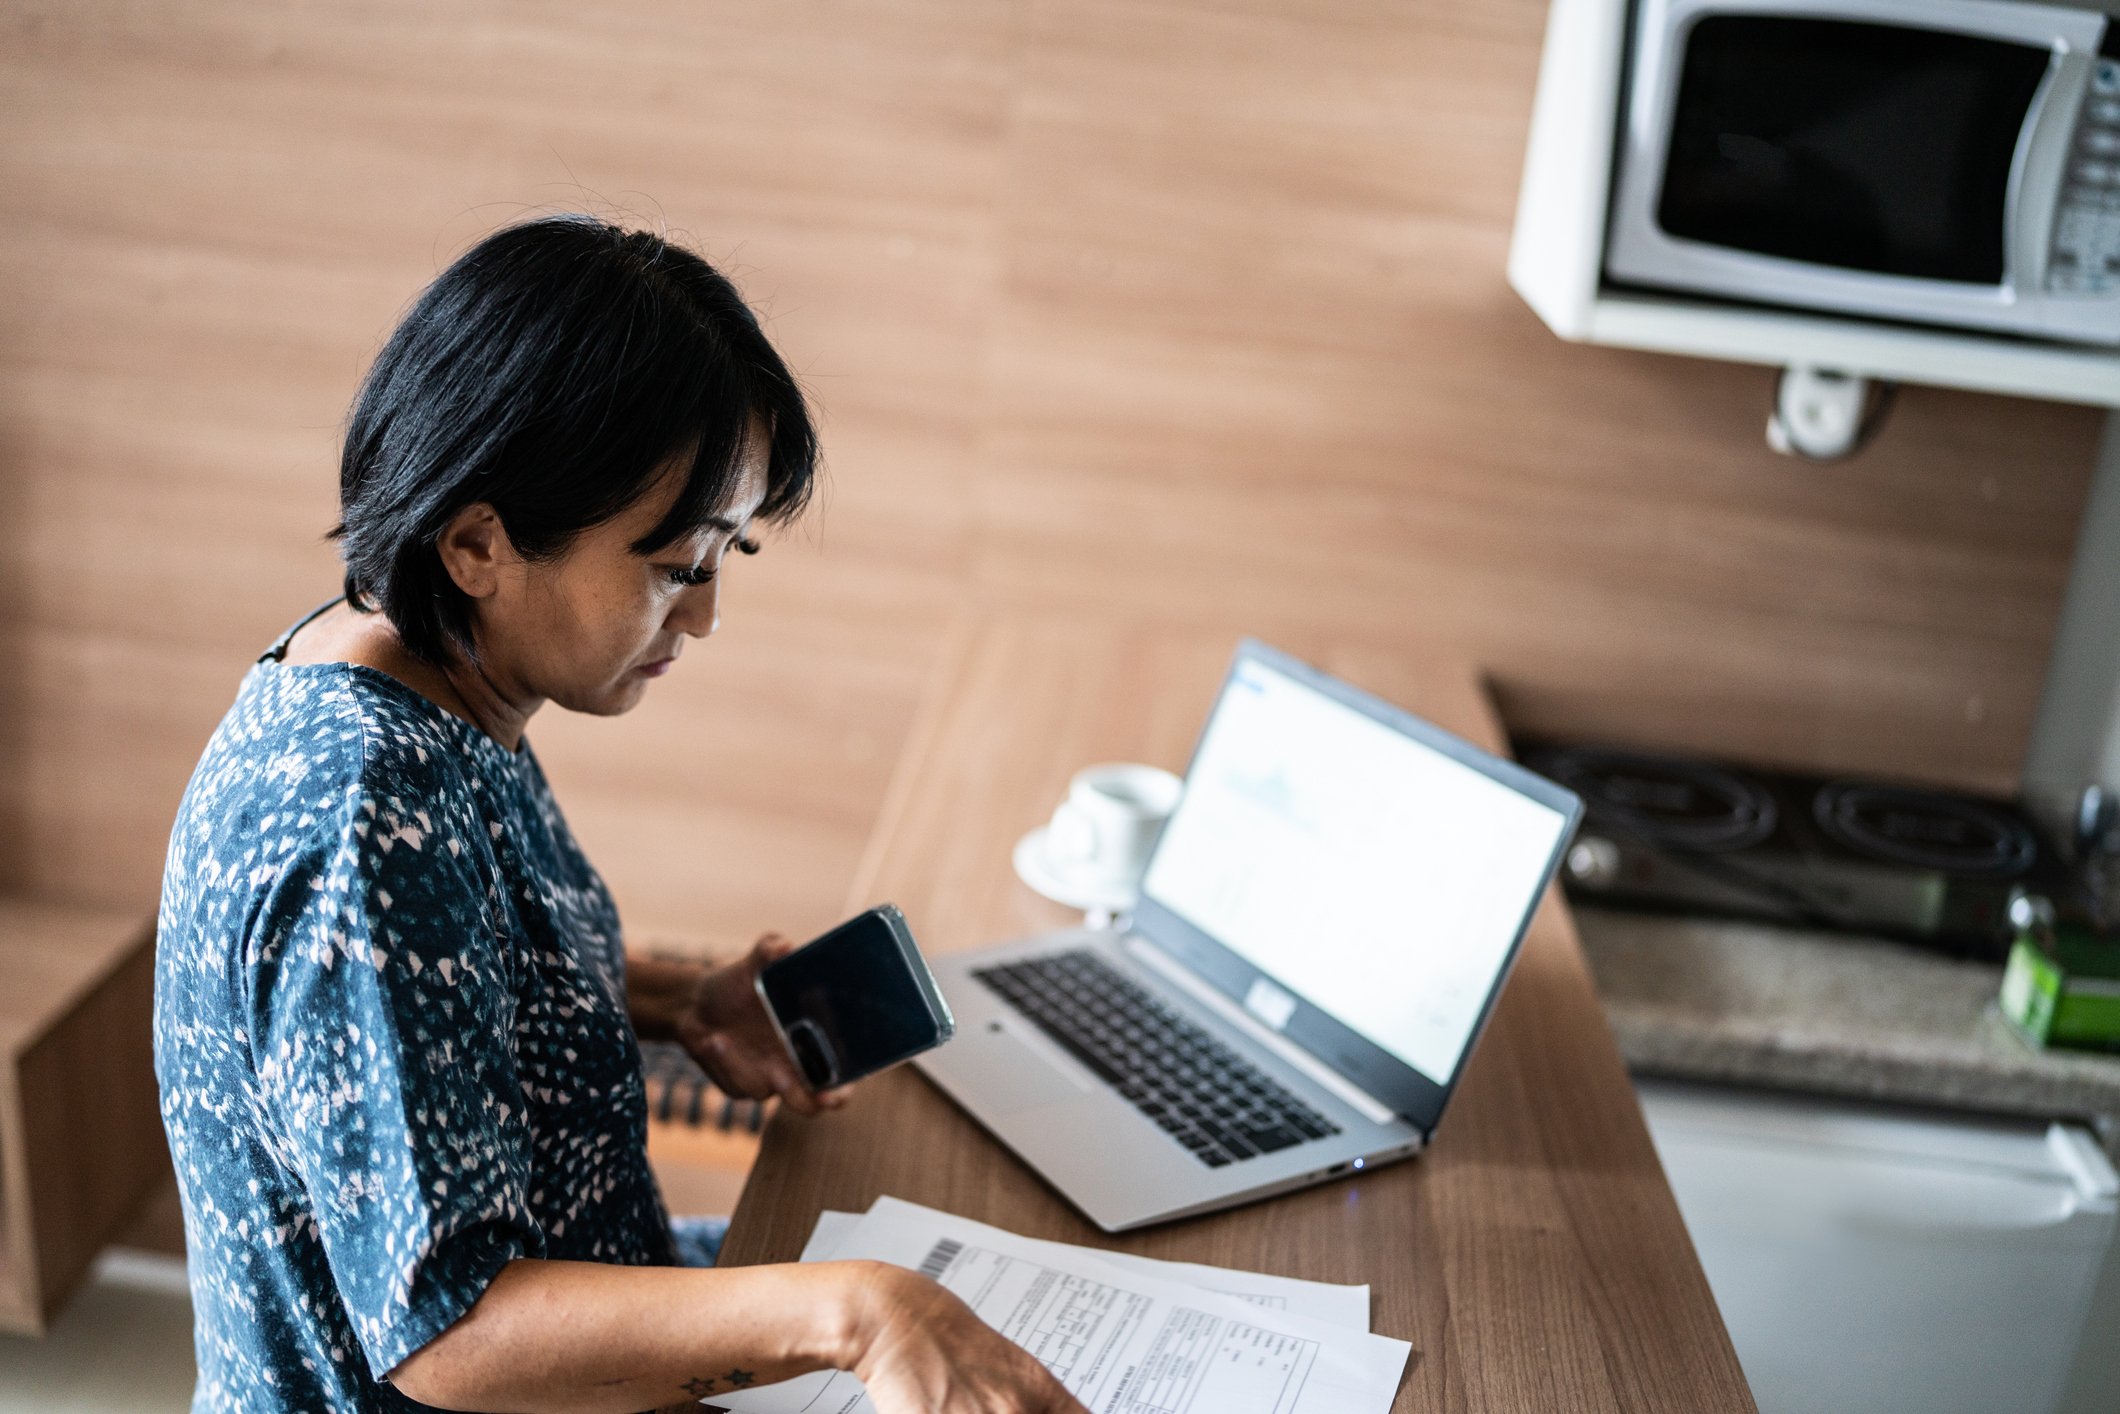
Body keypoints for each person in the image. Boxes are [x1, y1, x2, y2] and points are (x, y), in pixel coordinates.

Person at [152, 215, 1087, 1414]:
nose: (701, 618)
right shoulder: (358, 815)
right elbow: (453, 1332)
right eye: (676, 565)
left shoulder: (402, 663)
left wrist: (669, 1002)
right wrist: (856, 1311)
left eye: (720, 557)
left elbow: (419, 989)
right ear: (479, 539)